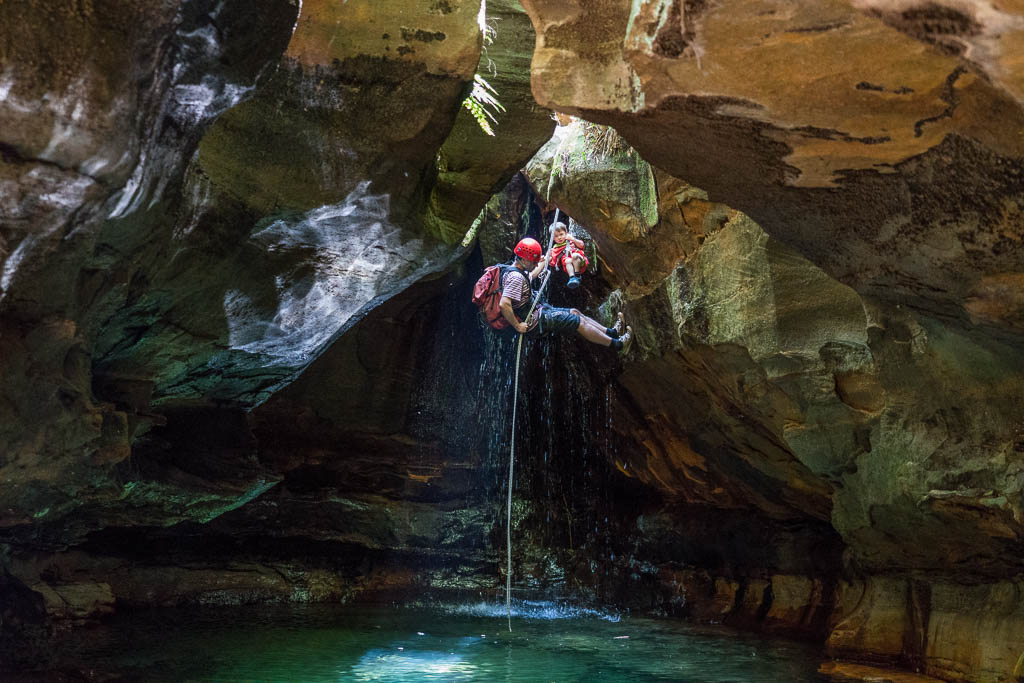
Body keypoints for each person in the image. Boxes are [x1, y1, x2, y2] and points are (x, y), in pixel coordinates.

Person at [499, 237, 632, 353]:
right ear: (524, 260)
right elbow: (504, 304)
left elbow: (531, 275)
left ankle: (612, 333)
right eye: (534, 262)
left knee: (575, 312)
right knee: (578, 322)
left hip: (539, 311)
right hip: (535, 320)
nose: (535, 264)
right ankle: (618, 345)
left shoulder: (517, 271)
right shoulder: (516, 277)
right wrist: (517, 326)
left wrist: (545, 261)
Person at [548, 221, 588, 289]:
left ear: (566, 233)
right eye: (556, 236)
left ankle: (577, 275)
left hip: (580, 262)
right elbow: (553, 262)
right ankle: (572, 278)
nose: (559, 237)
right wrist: (547, 257)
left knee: (574, 256)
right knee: (567, 261)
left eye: (561, 234)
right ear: (553, 238)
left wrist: (573, 239)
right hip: (569, 267)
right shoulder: (555, 249)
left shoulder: (571, 240)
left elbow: (582, 245)